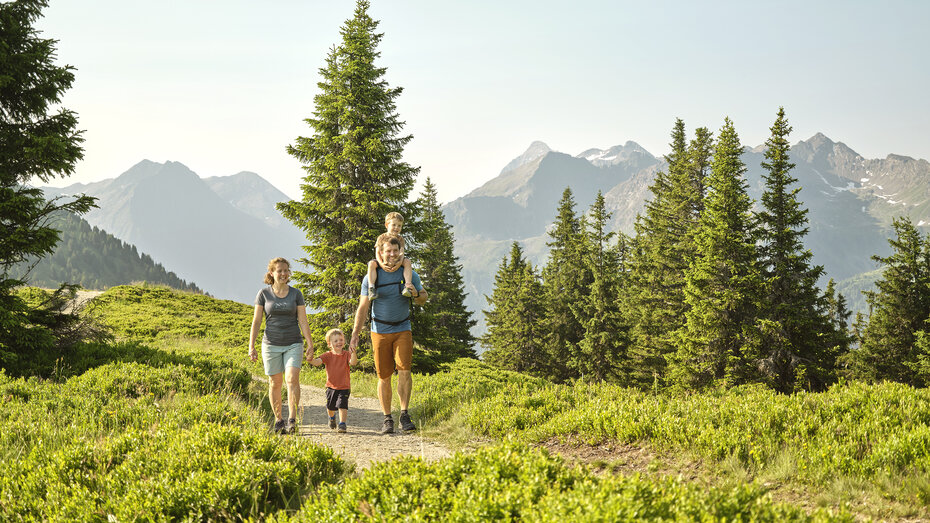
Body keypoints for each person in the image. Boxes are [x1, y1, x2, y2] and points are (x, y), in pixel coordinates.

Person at [350, 233, 428, 434]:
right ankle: (387, 418)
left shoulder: (408, 273)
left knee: (404, 371)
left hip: (403, 329)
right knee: (383, 376)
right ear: (381, 253)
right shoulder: (371, 277)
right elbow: (363, 306)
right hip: (380, 331)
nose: (392, 254)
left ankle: (404, 413)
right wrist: (355, 333)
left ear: (399, 251)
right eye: (388, 251)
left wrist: (416, 294)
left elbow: (423, 297)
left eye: (395, 251)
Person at [249, 257, 314, 435]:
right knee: (274, 383)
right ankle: (279, 420)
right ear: (272, 273)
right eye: (279, 271)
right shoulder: (263, 294)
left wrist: (309, 343)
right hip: (270, 344)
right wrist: (251, 346)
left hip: (293, 342)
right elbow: (256, 322)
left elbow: (303, 320)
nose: (284, 274)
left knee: (292, 379)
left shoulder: (296, 294)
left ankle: (292, 419)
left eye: (286, 270)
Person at [309, 328, 358, 433]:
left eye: (341, 340)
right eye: (335, 341)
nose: (339, 342)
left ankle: (342, 424)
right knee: (331, 407)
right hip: (331, 386)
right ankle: (331, 418)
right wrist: (310, 360)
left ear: (344, 341)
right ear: (329, 344)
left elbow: (353, 363)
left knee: (342, 405)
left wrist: (353, 353)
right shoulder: (328, 355)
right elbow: (318, 362)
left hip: (344, 386)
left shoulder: (346, 354)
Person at [367, 212, 415, 300]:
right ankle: (371, 288)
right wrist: (381, 264)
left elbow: (401, 252)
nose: (396, 228)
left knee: (407, 262)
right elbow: (377, 253)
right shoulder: (381, 237)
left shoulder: (400, 239)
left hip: (396, 259)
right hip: (383, 260)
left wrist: (399, 262)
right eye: (394, 225)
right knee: (371, 264)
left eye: (399, 226)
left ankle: (407, 286)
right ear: (387, 225)